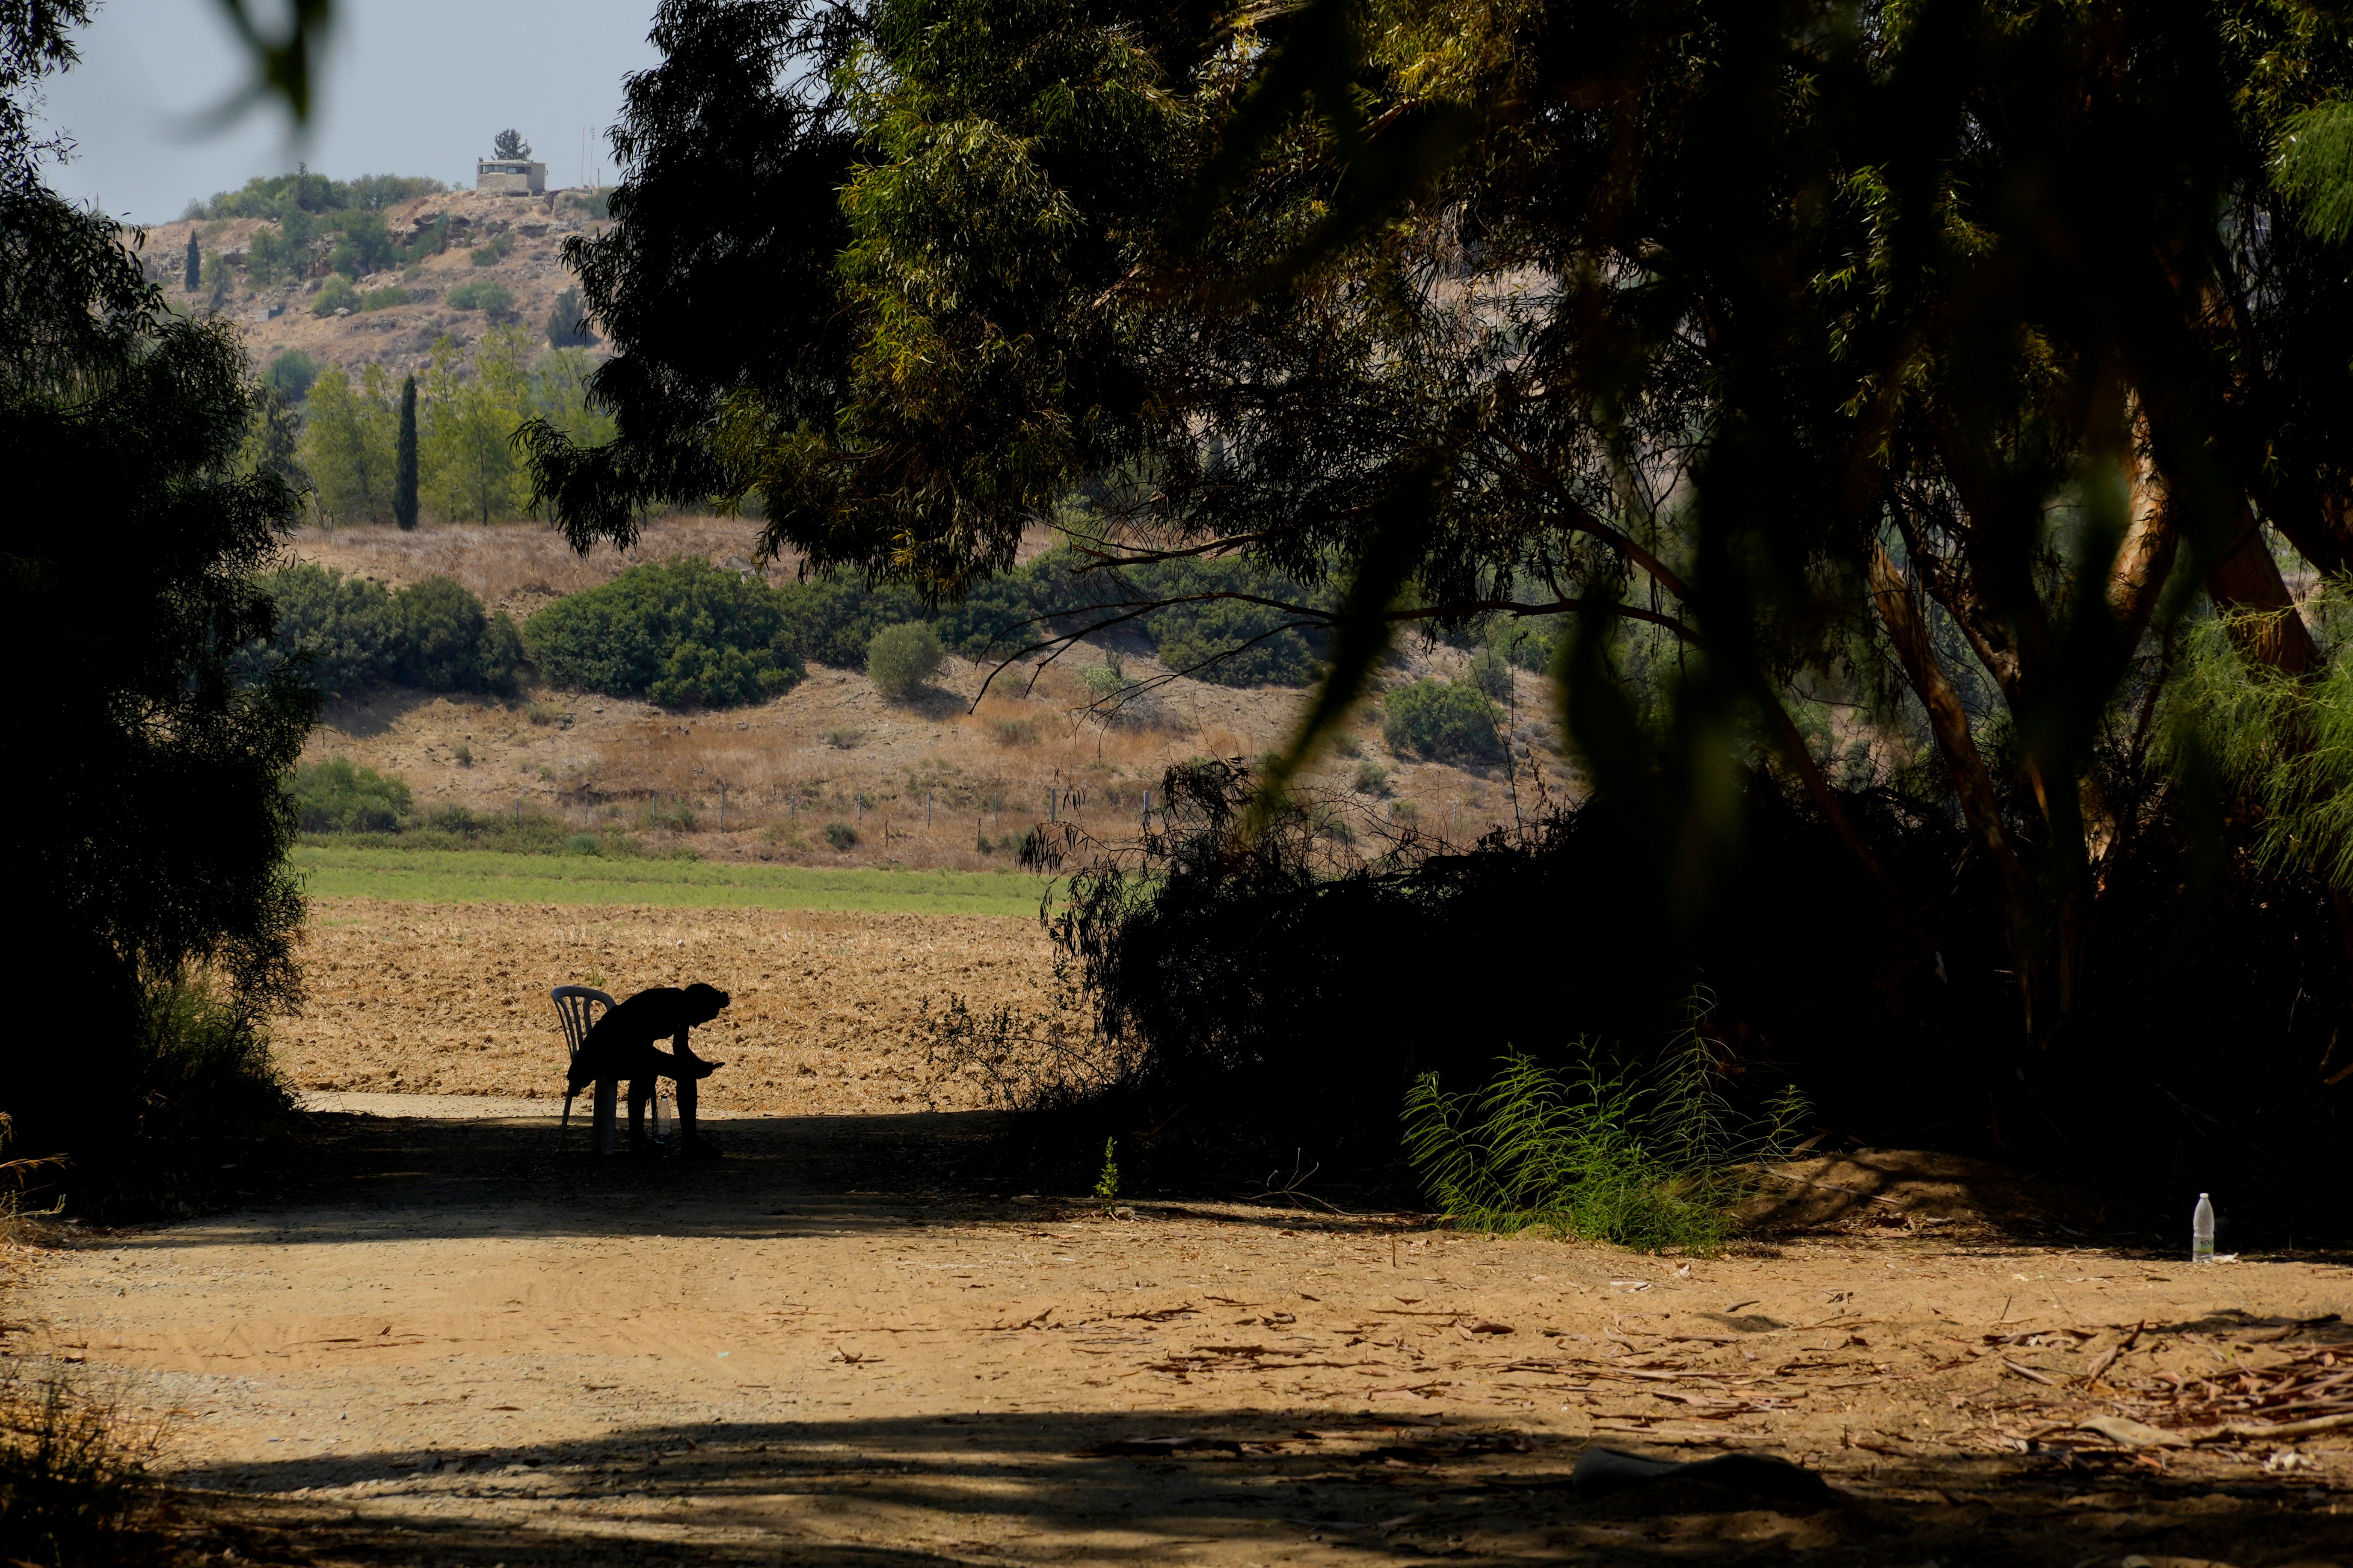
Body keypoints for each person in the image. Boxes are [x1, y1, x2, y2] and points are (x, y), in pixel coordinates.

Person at [567, 983, 729, 1157]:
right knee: (651, 1069)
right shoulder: (664, 1007)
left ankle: (664, 1140)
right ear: (695, 1006)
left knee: (666, 1069)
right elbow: (640, 1048)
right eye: (700, 1018)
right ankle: (653, 1141)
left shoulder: (680, 1005)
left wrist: (698, 1064)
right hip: (603, 1052)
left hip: (625, 1048)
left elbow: (680, 1050)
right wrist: (689, 1068)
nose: (697, 1025)